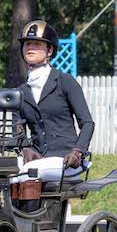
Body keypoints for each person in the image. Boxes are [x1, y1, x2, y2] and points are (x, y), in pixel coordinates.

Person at [16, 20, 93, 180]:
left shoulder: (65, 81)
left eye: (36, 44)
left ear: (50, 50)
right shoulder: (20, 92)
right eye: (27, 44)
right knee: (1, 172)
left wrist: (78, 151)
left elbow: (87, 123)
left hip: (67, 159)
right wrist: (25, 148)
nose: (30, 48)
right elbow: (18, 129)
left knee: (27, 175)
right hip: (36, 157)